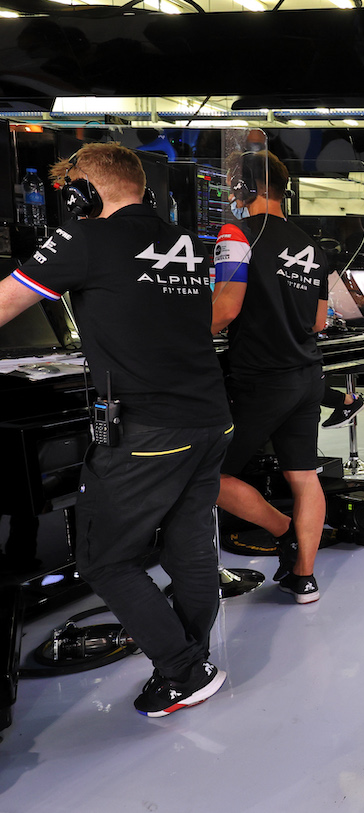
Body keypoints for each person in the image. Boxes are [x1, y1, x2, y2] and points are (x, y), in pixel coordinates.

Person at [0, 141, 231, 715]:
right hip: (210, 418)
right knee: (189, 546)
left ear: (84, 192)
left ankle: (182, 672)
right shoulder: (184, 240)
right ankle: (192, 660)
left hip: (151, 430)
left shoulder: (85, 238)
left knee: (104, 559)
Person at [212, 149, 329, 604]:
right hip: (306, 374)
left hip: (260, 377)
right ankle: (304, 578)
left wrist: (175, 334)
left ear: (243, 188)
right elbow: (319, 321)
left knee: (208, 475)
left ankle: (283, 530)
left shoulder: (235, 231)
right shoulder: (313, 245)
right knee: (303, 475)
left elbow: (225, 309)